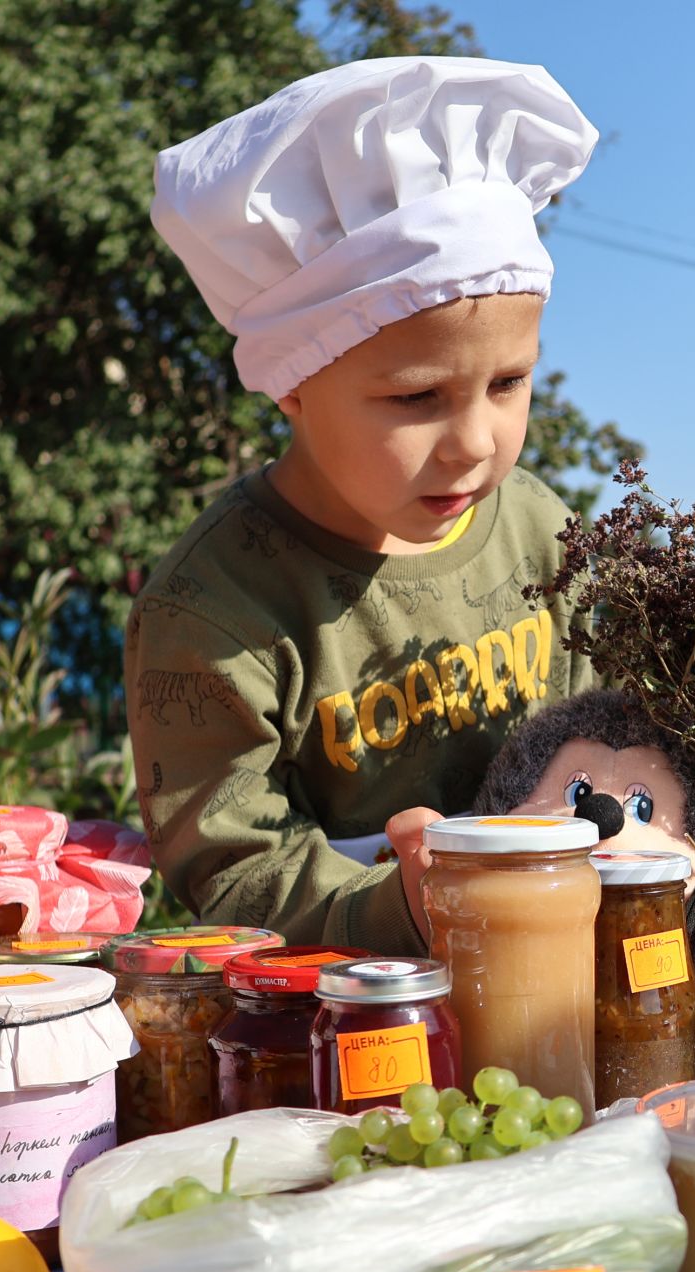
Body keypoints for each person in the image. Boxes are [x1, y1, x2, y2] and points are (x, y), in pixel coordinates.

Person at [128, 56, 599, 950]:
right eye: (418, 398)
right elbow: (228, 865)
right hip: (351, 1013)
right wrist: (395, 907)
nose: (473, 440)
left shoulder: (543, 532)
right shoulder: (217, 608)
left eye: (508, 383)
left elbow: (604, 737)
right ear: (293, 385)